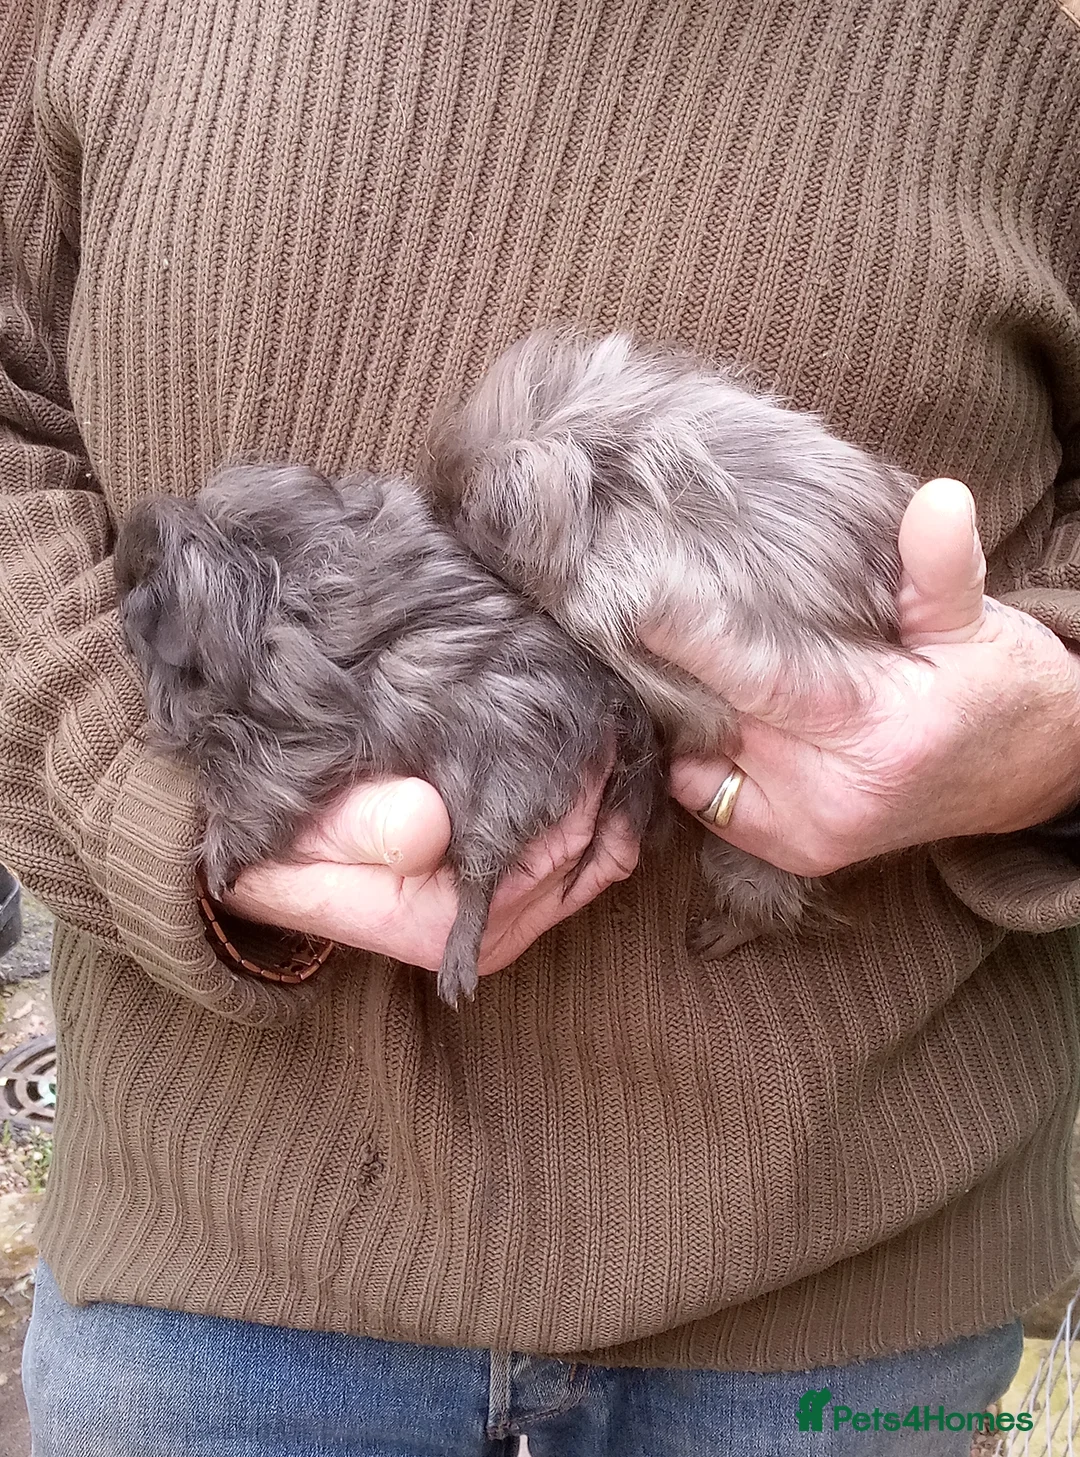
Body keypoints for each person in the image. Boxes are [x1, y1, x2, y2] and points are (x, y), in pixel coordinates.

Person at [2, 1, 1079, 1452]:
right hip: (217, 1302)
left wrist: (1050, 734)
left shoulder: (1037, 52)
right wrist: (136, 795)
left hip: (852, 1321)